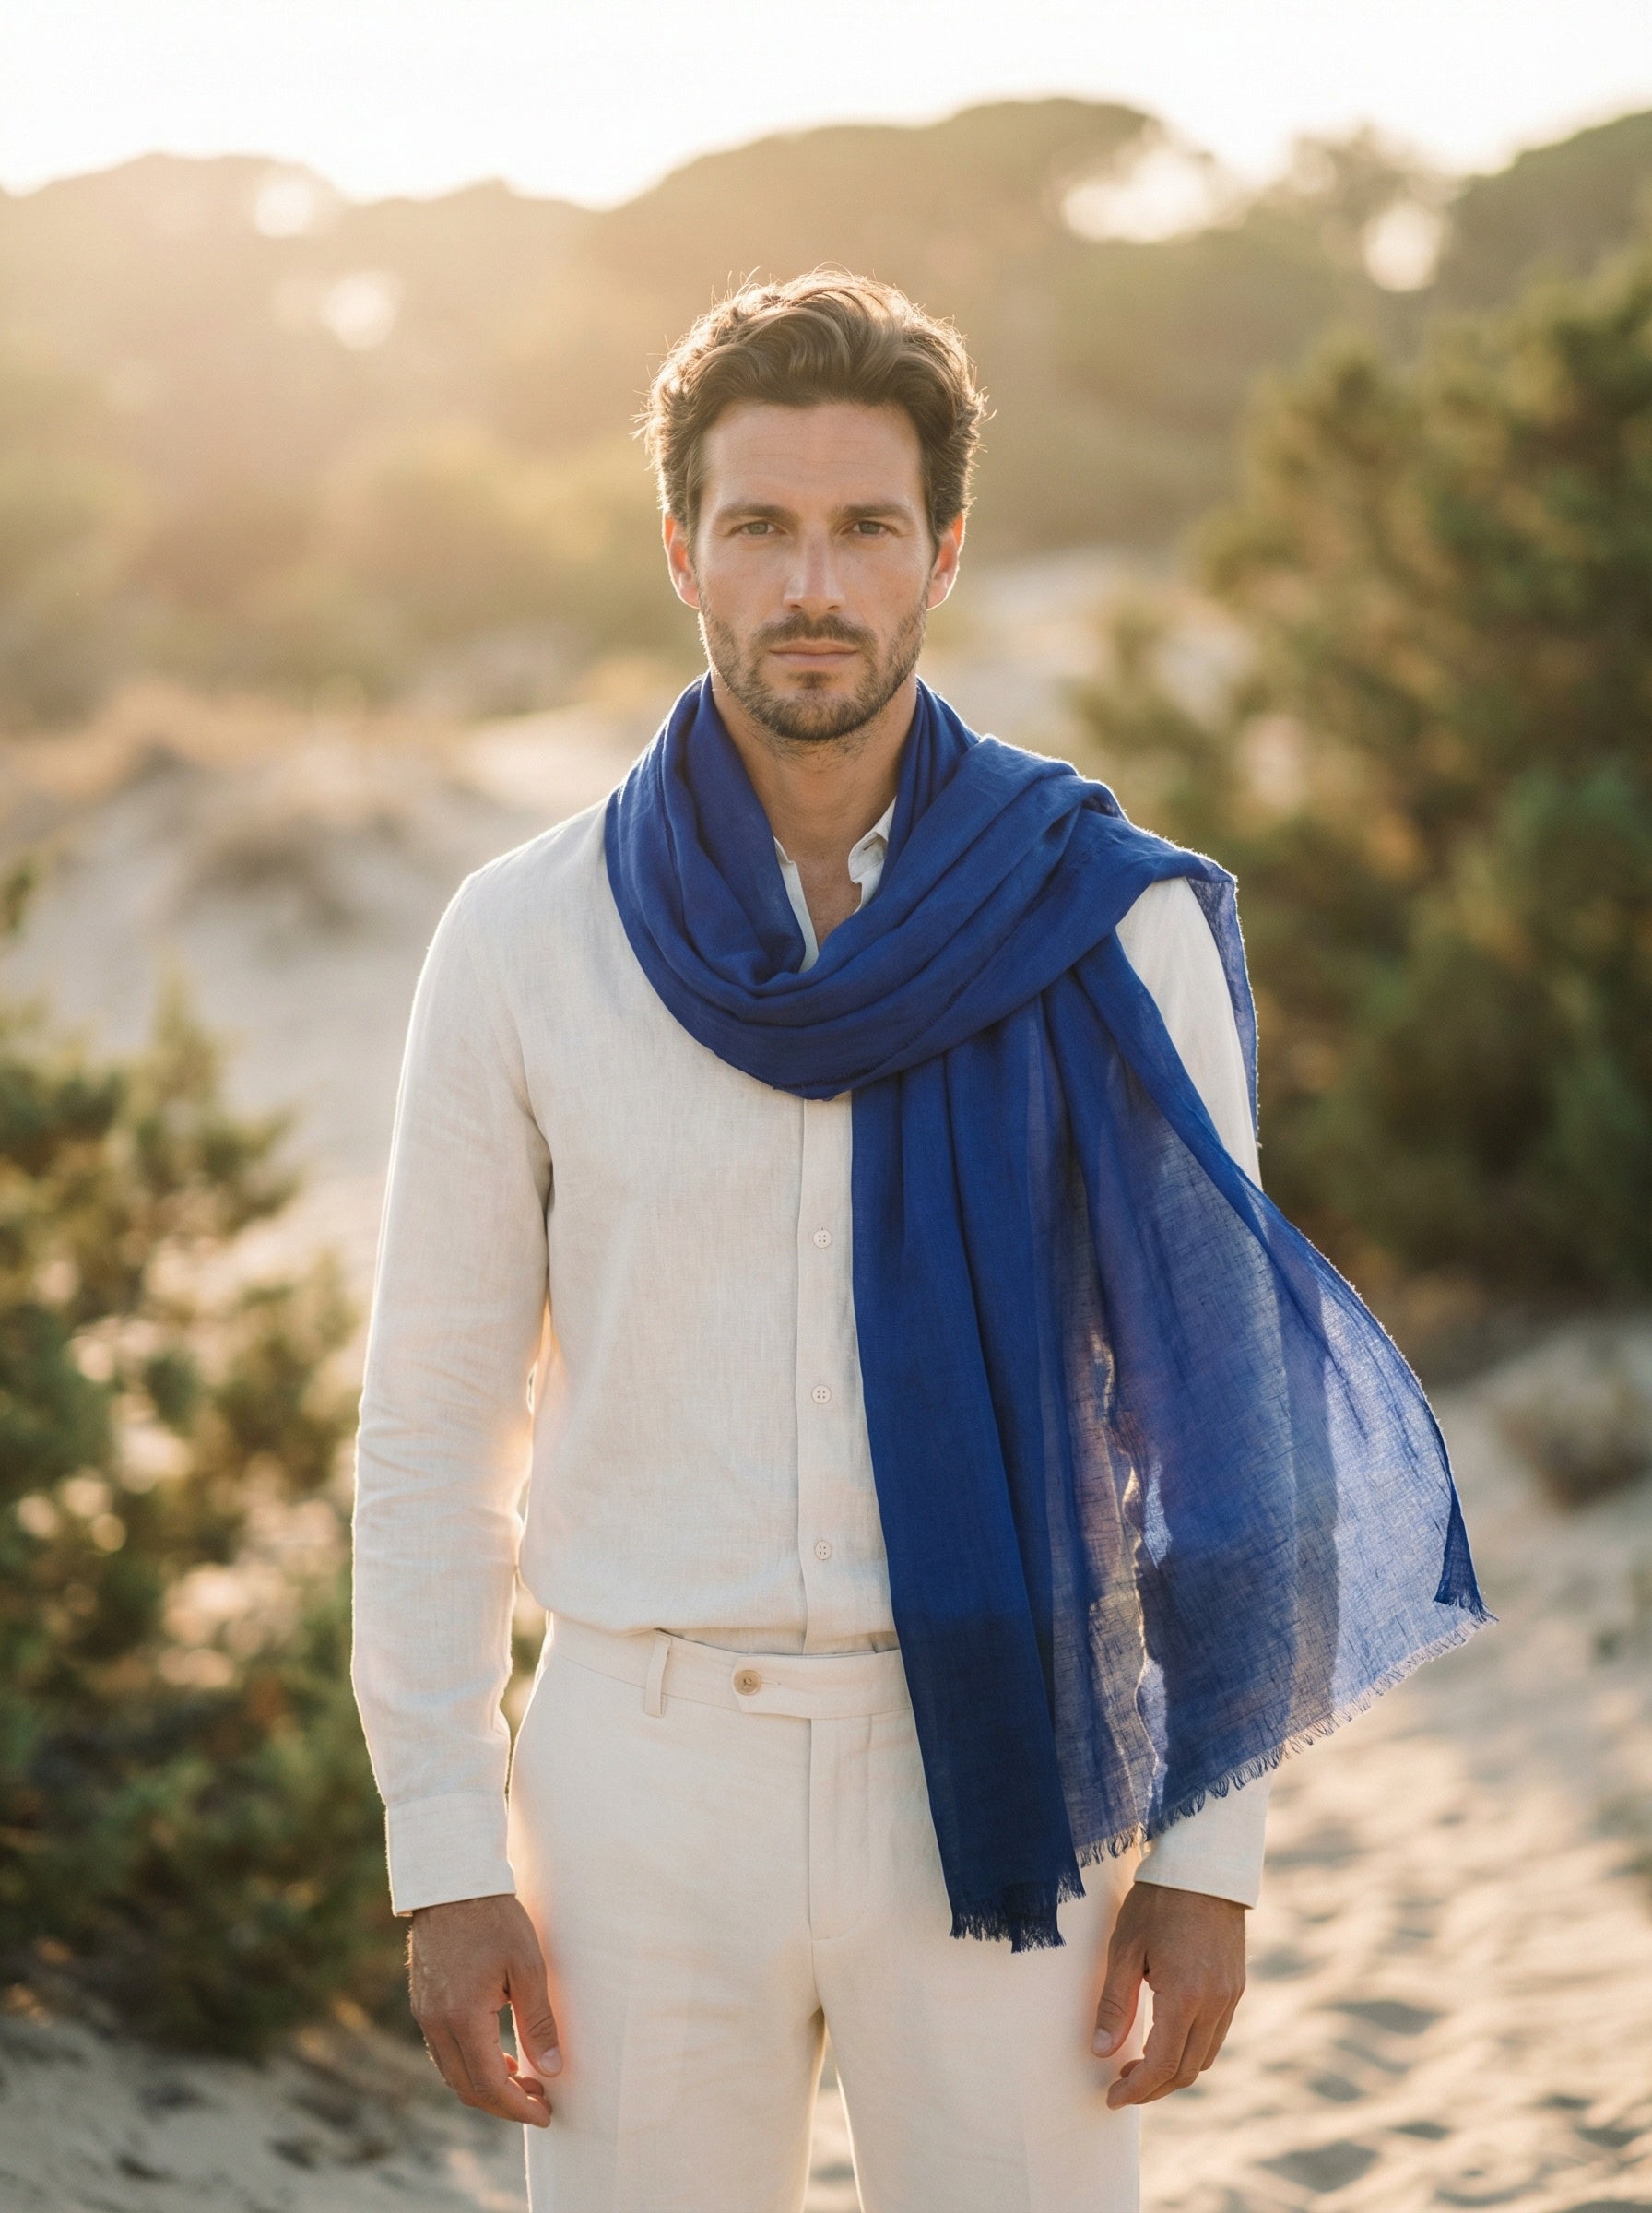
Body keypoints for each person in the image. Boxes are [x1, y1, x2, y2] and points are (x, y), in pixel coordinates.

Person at [352, 273, 1486, 2213]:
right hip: (638, 1770)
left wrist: (1205, 1863)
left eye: (865, 527)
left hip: (1008, 1756)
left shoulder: (1097, 919)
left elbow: (1227, 1443)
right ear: (678, 553)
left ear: (940, 555)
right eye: (760, 527)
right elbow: (432, 1432)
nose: (814, 581)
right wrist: (447, 1853)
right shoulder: (522, 939)